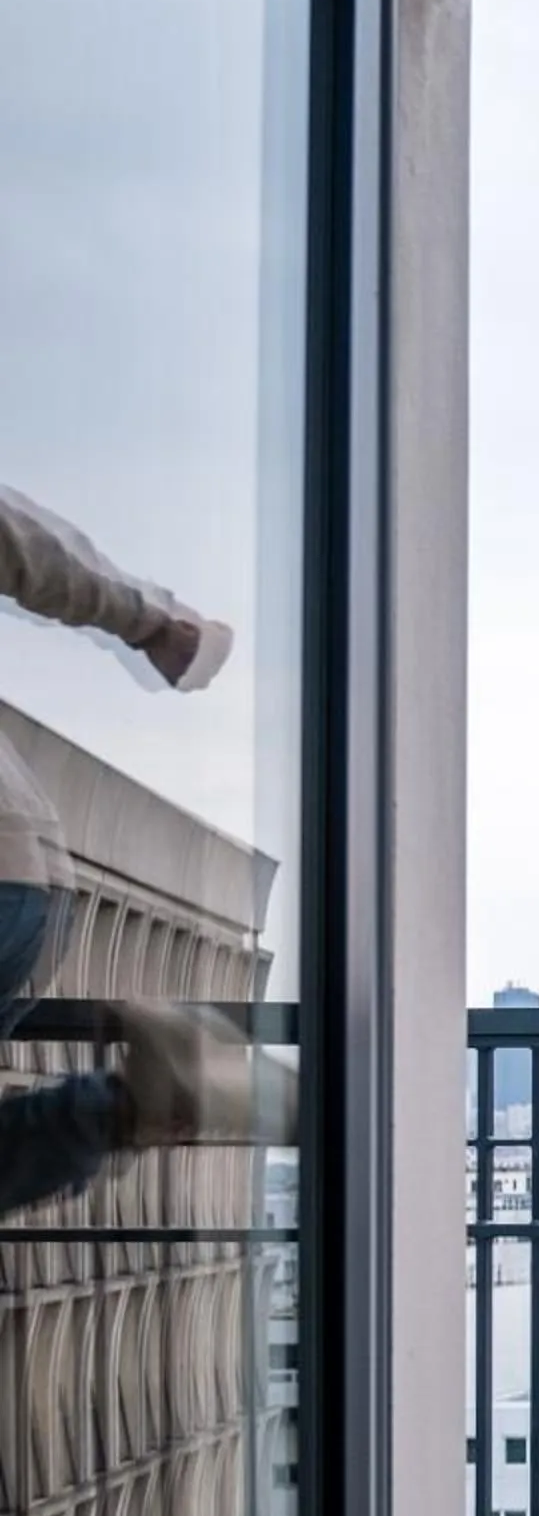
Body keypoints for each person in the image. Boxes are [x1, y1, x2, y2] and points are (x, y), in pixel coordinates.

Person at [0, 484, 289, 1216]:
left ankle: (128, 1108)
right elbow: (25, 540)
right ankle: (133, 1106)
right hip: (25, 869)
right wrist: (152, 620)